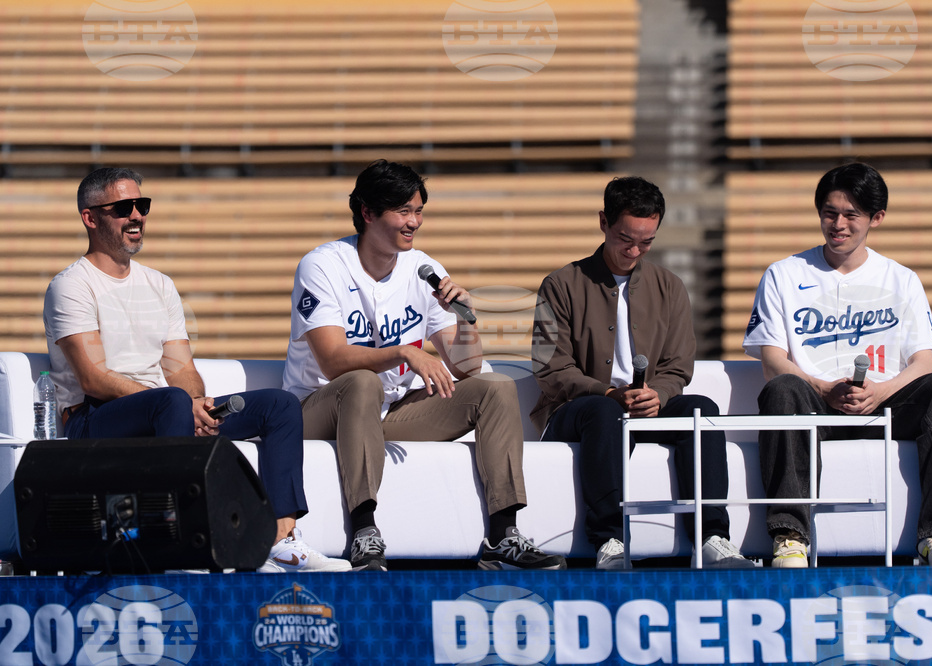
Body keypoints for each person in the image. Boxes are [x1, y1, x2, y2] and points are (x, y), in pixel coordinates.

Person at [43, 167, 349, 574]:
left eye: (142, 205)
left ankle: (279, 541)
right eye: (123, 208)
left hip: (163, 411)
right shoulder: (71, 285)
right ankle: (179, 540)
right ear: (90, 217)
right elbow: (93, 378)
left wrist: (197, 406)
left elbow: (181, 368)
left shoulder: (160, 284)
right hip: (93, 417)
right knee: (170, 401)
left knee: (279, 406)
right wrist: (177, 405)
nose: (136, 216)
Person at [282, 159, 566, 572]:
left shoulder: (423, 268)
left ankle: (503, 537)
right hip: (318, 409)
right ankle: (364, 533)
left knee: (496, 388)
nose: (414, 222)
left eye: (418, 211)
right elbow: (332, 360)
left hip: (388, 413)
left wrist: (466, 319)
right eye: (403, 211)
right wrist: (404, 352)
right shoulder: (323, 264)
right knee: (362, 382)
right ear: (367, 213)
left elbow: (468, 368)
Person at [743, 162, 932, 568]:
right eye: (830, 213)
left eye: (851, 215)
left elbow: (923, 362)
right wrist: (822, 388)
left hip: (885, 404)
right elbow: (772, 360)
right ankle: (790, 537)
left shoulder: (901, 279)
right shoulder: (783, 274)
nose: (838, 224)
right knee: (782, 388)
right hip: (814, 403)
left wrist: (881, 392)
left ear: (876, 218)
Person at [531, 176, 754, 570]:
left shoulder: (669, 286)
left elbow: (678, 365)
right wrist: (607, 393)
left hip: (646, 408)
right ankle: (610, 540)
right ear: (603, 222)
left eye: (646, 242)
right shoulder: (561, 285)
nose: (634, 250)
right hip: (581, 410)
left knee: (701, 408)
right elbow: (551, 369)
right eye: (625, 239)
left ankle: (713, 537)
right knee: (605, 412)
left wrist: (659, 395)